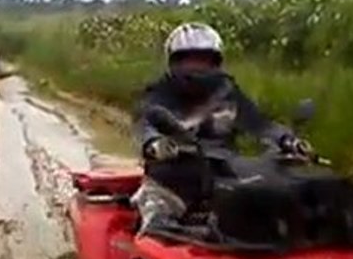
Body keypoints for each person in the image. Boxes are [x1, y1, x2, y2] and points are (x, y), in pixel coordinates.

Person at [131, 21, 312, 231]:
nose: (197, 66)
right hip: (171, 181)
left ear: (216, 62)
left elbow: (261, 124)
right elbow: (144, 123)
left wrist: (288, 140)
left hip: (224, 177)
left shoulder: (227, 91)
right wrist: (154, 144)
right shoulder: (157, 94)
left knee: (279, 215)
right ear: (174, 62)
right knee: (158, 226)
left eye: (204, 60)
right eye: (189, 60)